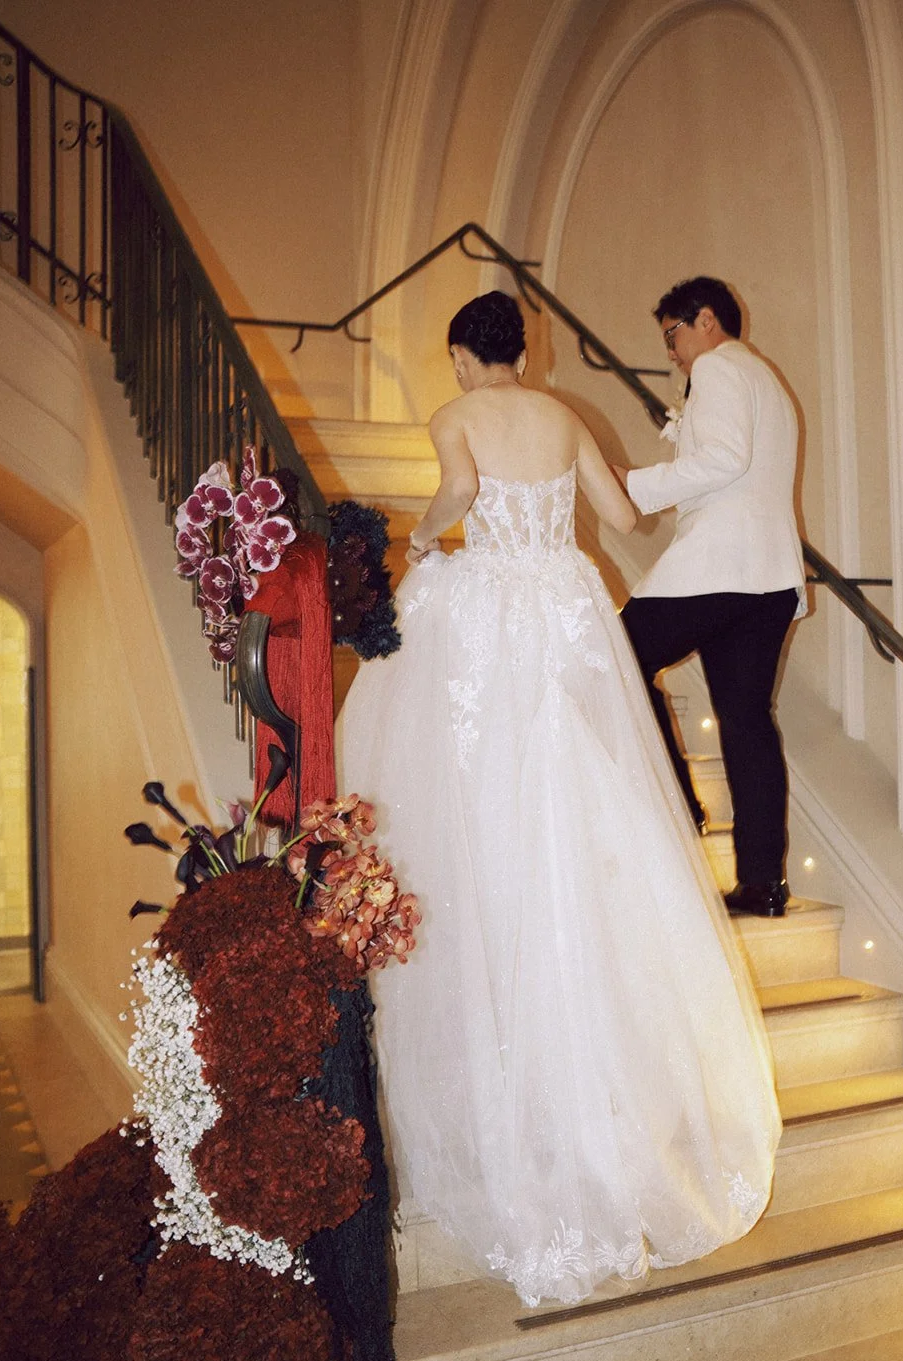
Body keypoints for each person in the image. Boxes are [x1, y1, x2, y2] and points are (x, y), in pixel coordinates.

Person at [338, 291, 779, 1307]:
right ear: (523, 351)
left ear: (463, 354)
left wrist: (424, 537)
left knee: (475, 783)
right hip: (562, 602)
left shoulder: (457, 413)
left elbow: (457, 491)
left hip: (490, 603)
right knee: (579, 790)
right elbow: (622, 517)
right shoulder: (562, 413)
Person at [619, 277, 806, 920]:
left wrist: (633, 484)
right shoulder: (766, 380)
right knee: (747, 720)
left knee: (614, 652)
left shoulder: (720, 367)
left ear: (705, 320)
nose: (671, 353)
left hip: (720, 567)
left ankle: (679, 801)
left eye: (672, 336)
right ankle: (762, 883)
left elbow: (725, 458)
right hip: (770, 577)